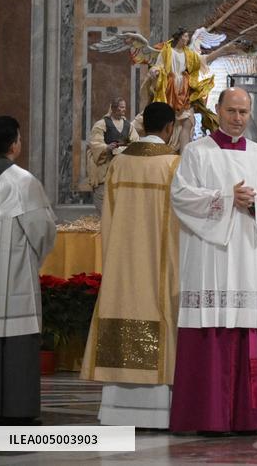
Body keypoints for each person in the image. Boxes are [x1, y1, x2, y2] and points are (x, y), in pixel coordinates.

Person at [168, 87, 257, 433]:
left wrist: (255, 203)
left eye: (244, 112)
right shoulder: (195, 152)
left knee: (244, 331)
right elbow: (181, 197)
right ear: (217, 110)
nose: (238, 119)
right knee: (209, 331)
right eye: (232, 111)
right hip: (208, 256)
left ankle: (247, 416)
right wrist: (224, 198)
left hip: (246, 255)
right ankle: (208, 416)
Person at [80, 102, 180, 428]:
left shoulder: (120, 164)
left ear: (142, 125)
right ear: (169, 129)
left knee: (121, 307)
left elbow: (106, 217)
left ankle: (116, 411)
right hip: (161, 261)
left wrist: (113, 257)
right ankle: (157, 411)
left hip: (123, 261)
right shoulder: (174, 165)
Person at [0, 116, 56, 424]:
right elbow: (42, 231)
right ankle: (14, 410)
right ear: (13, 145)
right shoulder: (23, 182)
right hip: (13, 280)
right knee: (14, 340)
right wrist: (36, 258)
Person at [86, 97, 138, 213]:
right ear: (114, 108)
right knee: (104, 206)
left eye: (125, 107)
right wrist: (106, 148)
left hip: (123, 170)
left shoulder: (128, 126)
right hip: (106, 168)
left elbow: (135, 141)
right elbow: (94, 143)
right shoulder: (101, 124)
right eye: (121, 107)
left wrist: (128, 147)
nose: (124, 110)